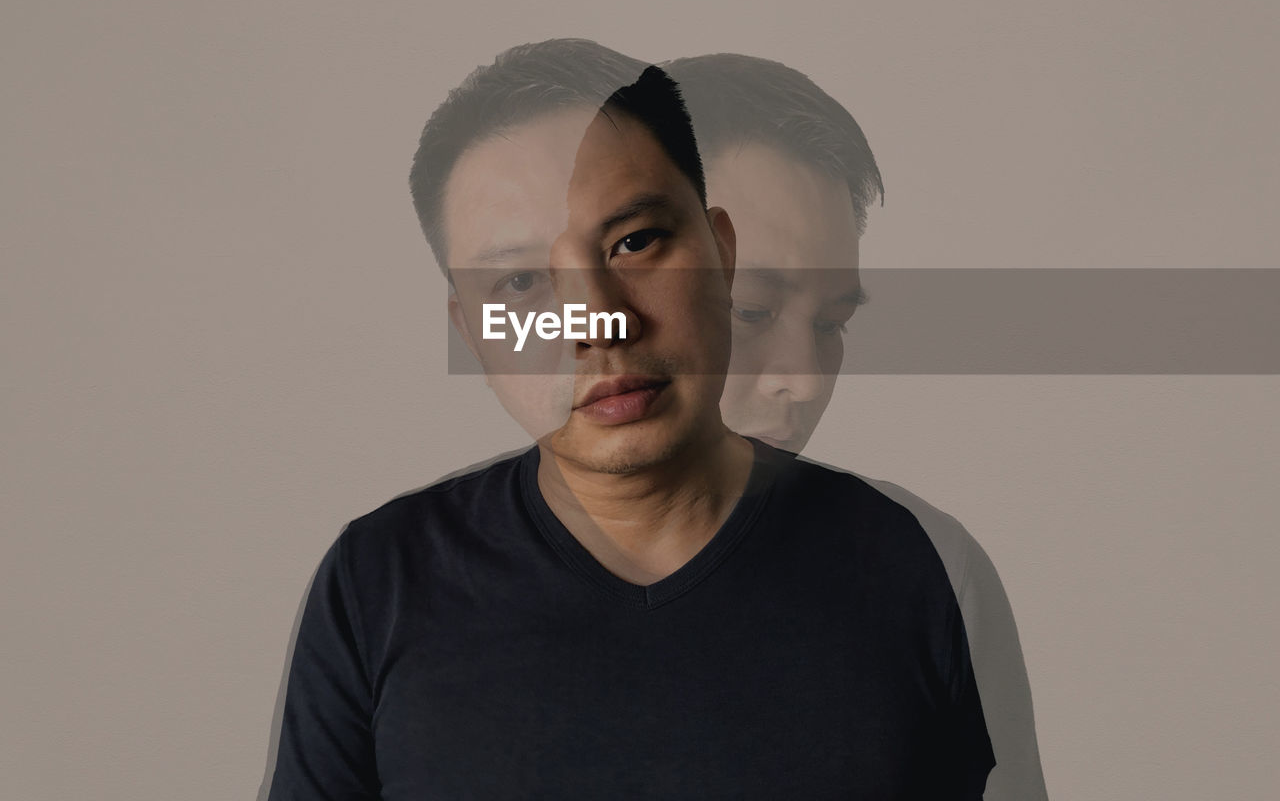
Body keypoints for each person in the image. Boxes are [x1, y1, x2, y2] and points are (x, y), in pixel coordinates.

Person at [266, 39, 995, 799]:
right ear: (474, 332)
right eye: (519, 282)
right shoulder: (378, 580)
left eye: (636, 243)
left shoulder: (916, 568)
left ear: (720, 250)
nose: (599, 324)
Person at [667, 52, 1048, 801]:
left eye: (832, 323)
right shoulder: (404, 582)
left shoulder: (930, 571)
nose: (804, 380)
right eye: (751, 312)